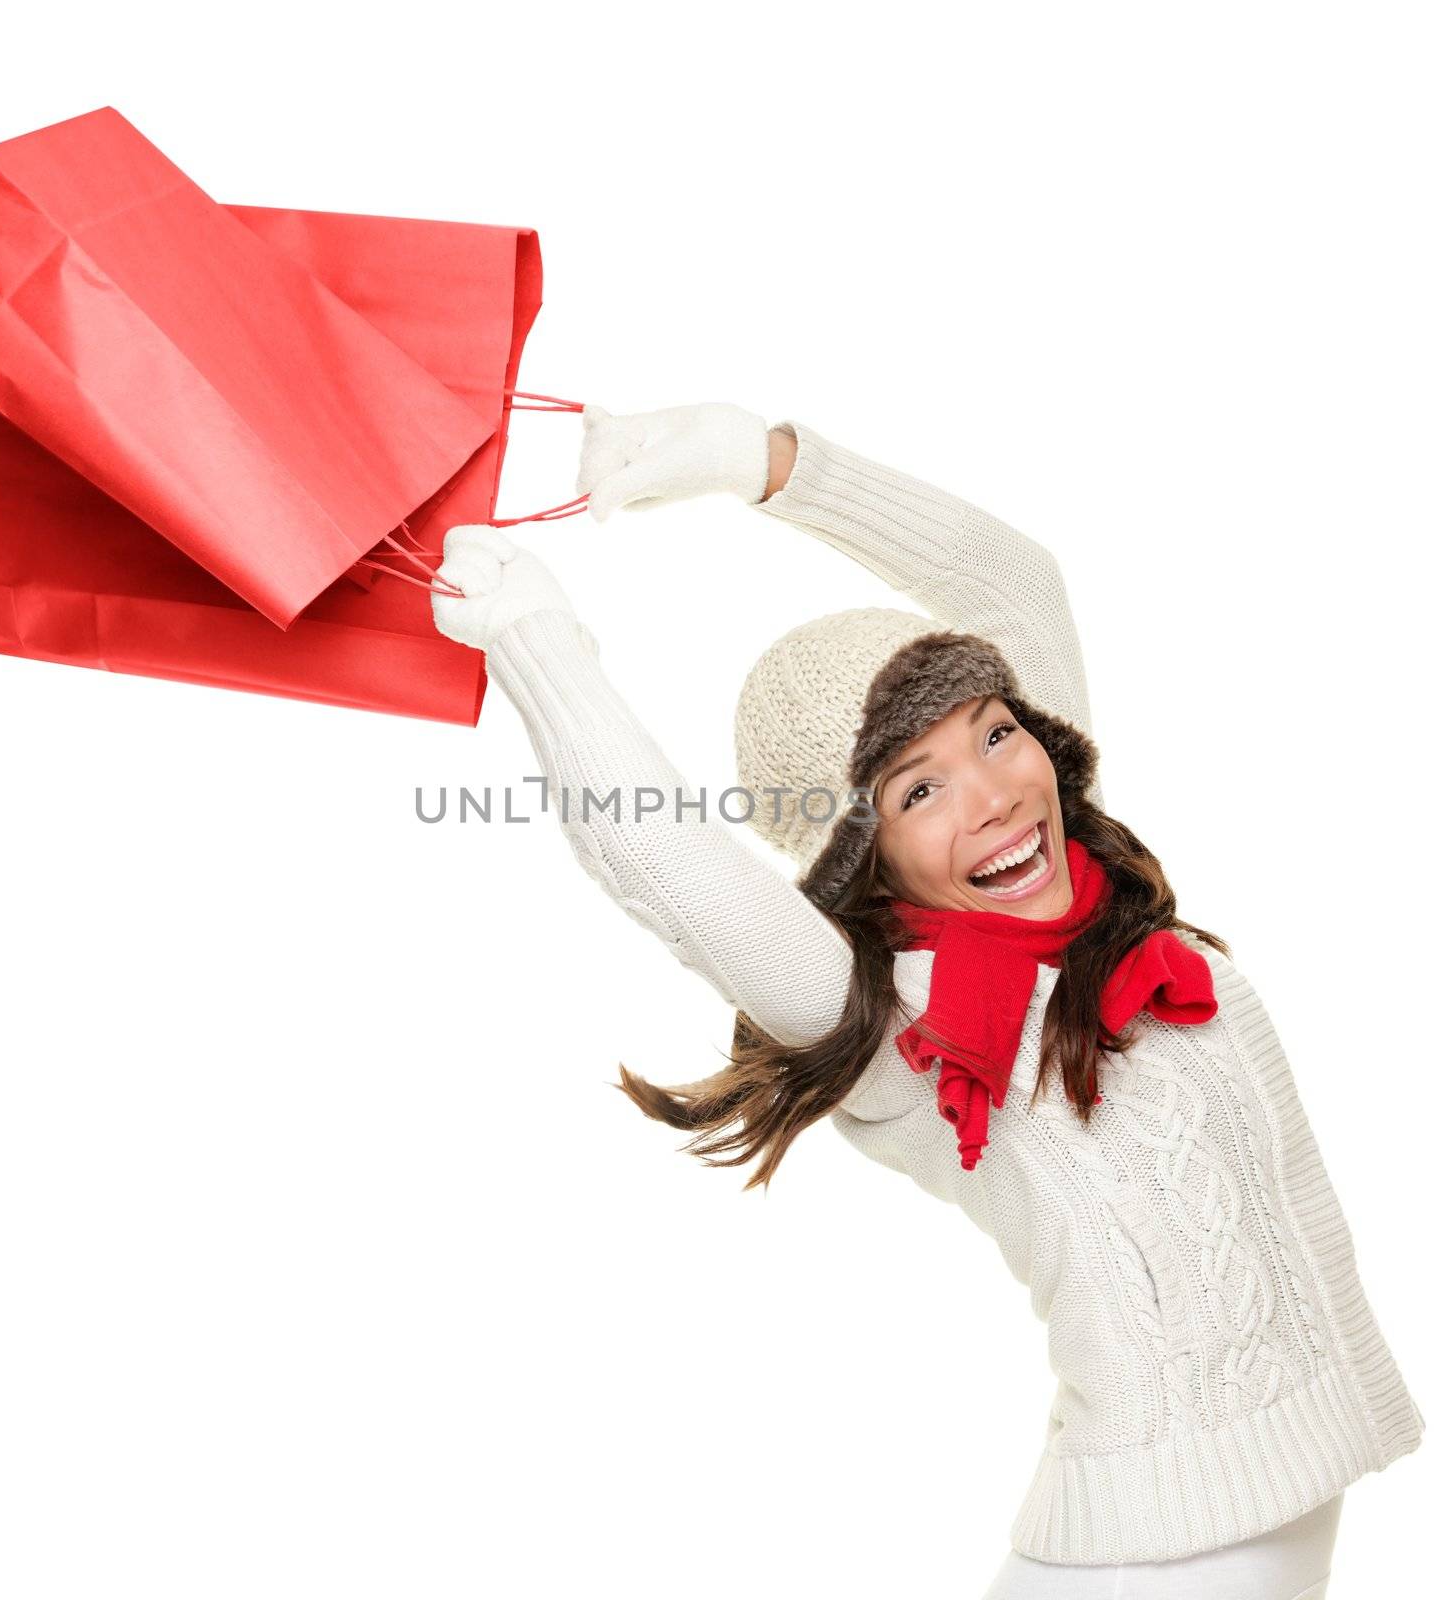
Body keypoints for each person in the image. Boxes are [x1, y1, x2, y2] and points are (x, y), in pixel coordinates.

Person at [429, 401, 1423, 1597]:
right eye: (916, 791)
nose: (996, 794)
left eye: (996, 732)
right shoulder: (898, 1025)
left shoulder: (1085, 879)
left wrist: (764, 464)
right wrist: (542, 646)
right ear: (864, 862)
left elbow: (1014, 580)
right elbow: (676, 872)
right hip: (1145, 1565)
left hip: (1236, 1536)